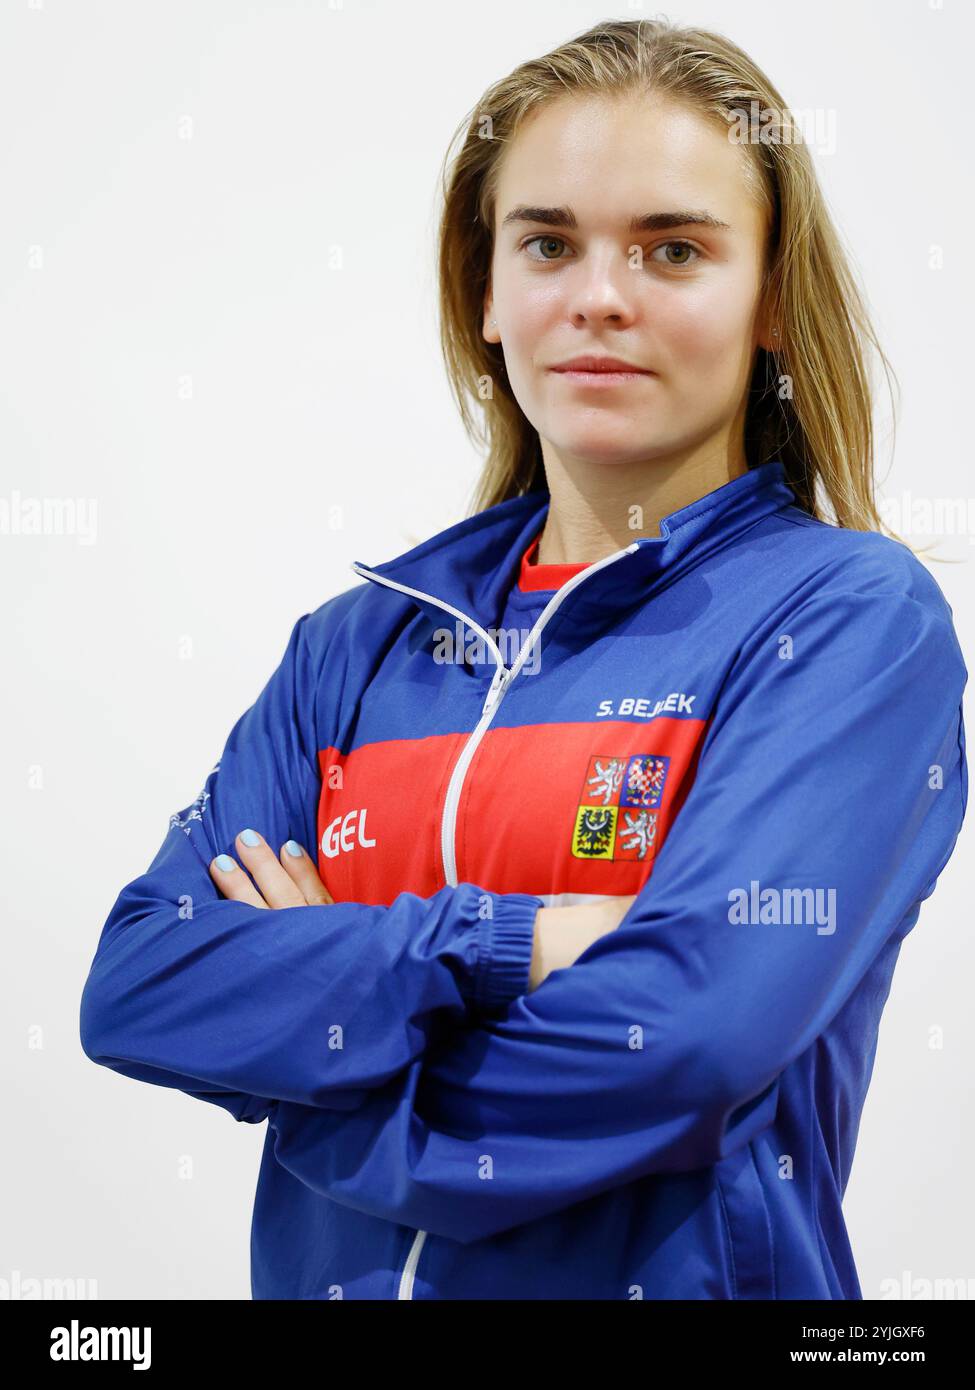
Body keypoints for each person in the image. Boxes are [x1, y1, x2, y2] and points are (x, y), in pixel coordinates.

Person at [79, 17, 967, 1300]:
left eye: (673, 248)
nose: (600, 296)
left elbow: (690, 1037)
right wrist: (510, 942)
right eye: (548, 242)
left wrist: (324, 1076)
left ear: (771, 297)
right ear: (485, 291)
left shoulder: (847, 622)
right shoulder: (358, 643)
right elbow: (142, 983)